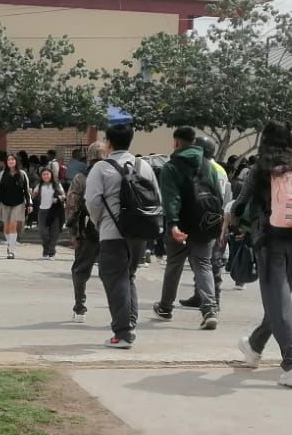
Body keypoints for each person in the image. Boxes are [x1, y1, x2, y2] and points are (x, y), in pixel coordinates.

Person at [233, 122, 292, 388]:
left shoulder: (262, 168)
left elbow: (239, 205)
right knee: (280, 301)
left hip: (271, 241)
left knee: (278, 303)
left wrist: (235, 221)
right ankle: (255, 346)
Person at [86, 122, 154, 349]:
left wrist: (98, 222)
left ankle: (123, 333)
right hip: (139, 233)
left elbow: (93, 201)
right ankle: (130, 324)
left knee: (115, 280)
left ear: (108, 143)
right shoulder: (143, 165)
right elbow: (155, 198)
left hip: (111, 232)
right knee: (128, 277)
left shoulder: (101, 168)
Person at [154, 126, 224, 329]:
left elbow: (171, 198)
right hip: (206, 222)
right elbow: (217, 195)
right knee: (203, 264)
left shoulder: (171, 167)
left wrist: (173, 224)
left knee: (174, 264)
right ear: (194, 142)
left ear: (176, 142)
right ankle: (209, 309)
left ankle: (166, 307)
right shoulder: (208, 164)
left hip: (182, 224)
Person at [67, 142, 104, 322]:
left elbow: (71, 206)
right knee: (114, 273)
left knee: (80, 270)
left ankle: (80, 308)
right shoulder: (115, 176)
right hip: (112, 232)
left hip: (88, 231)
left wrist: (73, 232)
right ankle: (120, 311)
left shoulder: (81, 178)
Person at [0, 152, 32, 258]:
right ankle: (10, 243)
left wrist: (29, 204)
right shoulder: (3, 174)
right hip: (5, 203)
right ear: (6, 162)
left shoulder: (22, 174)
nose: (11, 161)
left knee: (13, 225)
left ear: (16, 161)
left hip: (18, 203)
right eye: (9, 160)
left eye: (12, 159)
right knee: (6, 228)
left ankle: (11, 250)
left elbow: (26, 190)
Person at [32, 166, 65, 258]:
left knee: (54, 233)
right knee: (43, 233)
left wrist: (58, 198)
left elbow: (63, 196)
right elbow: (33, 195)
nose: (46, 176)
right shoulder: (39, 185)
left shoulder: (57, 185)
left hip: (54, 211)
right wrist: (31, 194)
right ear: (41, 176)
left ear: (51, 175)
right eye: (44, 174)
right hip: (42, 211)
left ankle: (51, 252)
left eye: (47, 174)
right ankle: (46, 249)